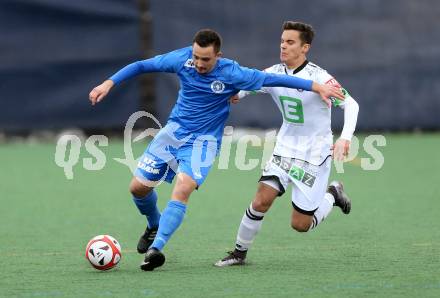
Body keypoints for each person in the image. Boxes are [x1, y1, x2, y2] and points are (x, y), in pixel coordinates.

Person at [89, 28, 344, 271]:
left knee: (183, 187)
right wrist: (108, 83)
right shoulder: (181, 59)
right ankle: (154, 225)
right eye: (196, 57)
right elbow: (142, 65)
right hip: (173, 132)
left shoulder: (232, 73)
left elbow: (271, 78)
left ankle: (155, 250)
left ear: (218, 56)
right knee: (138, 188)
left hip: (204, 142)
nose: (199, 63)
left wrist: (315, 86)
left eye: (206, 60)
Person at [215, 21, 359, 267]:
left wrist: (345, 138)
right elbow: (251, 86)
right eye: (282, 40)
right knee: (262, 199)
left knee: (300, 225)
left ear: (305, 48)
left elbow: (351, 104)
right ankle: (239, 253)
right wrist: (236, 95)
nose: (283, 45)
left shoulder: (319, 77)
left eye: (290, 42)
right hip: (284, 150)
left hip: (314, 156)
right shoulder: (274, 72)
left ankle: (333, 195)